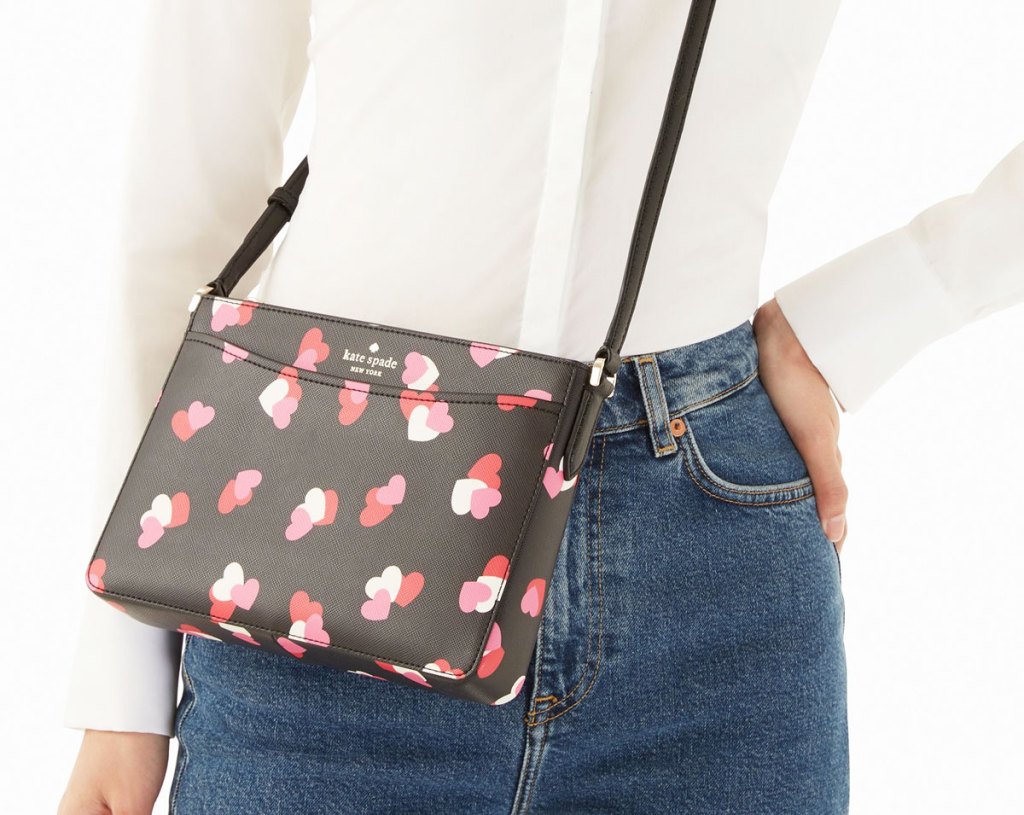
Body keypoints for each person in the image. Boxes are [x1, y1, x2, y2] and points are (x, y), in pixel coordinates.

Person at [59, 2, 1023, 814]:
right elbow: (192, 192)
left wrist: (894, 299)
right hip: (310, 566)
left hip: (713, 589)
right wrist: (123, 689)